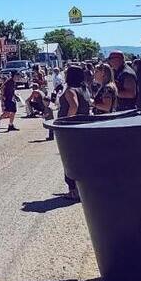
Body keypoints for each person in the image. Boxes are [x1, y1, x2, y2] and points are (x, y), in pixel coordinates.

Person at [58, 66, 91, 200]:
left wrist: (67, 122)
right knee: (81, 158)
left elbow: (74, 106)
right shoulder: (84, 89)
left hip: (72, 128)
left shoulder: (71, 90)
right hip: (83, 126)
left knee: (69, 158)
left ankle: (73, 190)